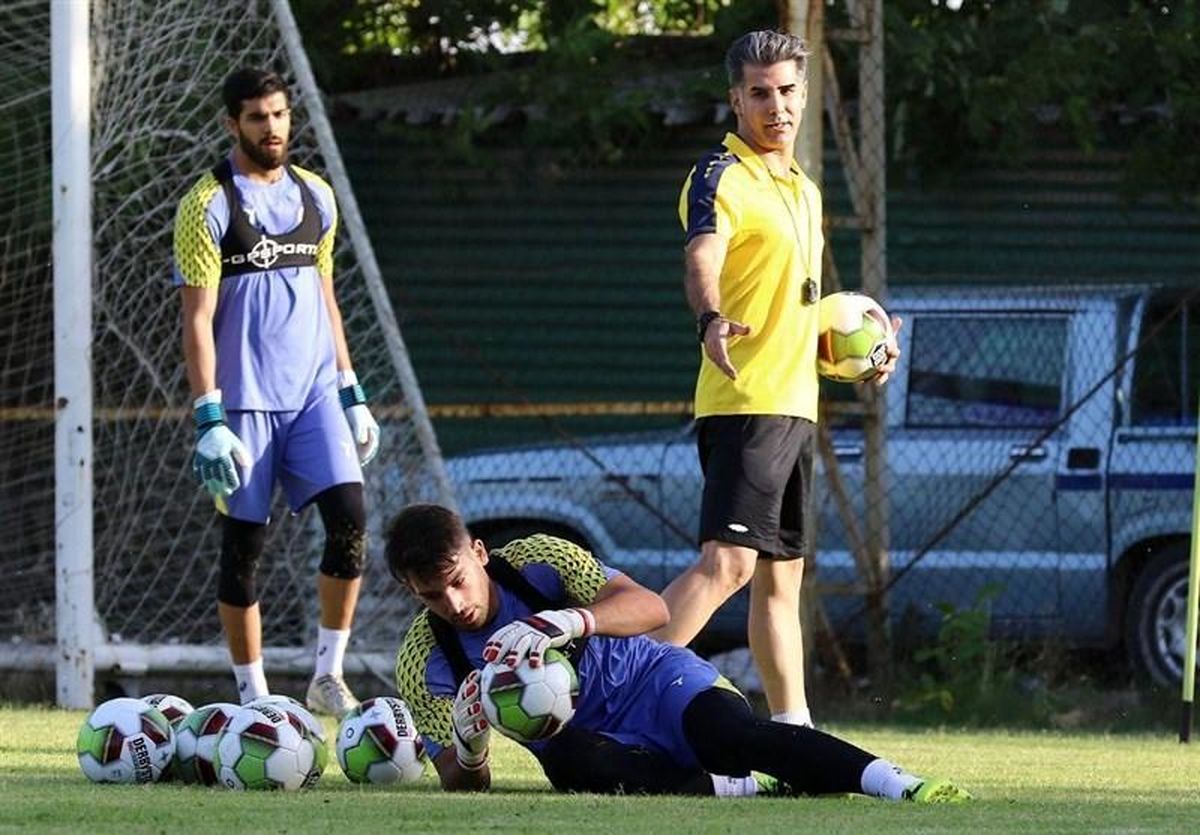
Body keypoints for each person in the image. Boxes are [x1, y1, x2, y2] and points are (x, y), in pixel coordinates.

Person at [387, 503, 968, 802]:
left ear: (480, 553)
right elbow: (463, 788)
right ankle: (746, 787)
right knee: (572, 770)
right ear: (412, 592)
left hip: (656, 683)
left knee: (731, 737)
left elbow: (652, 611)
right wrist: (467, 748)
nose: (453, 602)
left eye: (457, 580)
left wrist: (564, 620)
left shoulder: (539, 559)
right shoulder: (423, 661)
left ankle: (898, 783)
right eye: (431, 595)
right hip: (588, 743)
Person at [655, 30, 900, 727]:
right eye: (759, 93)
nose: (777, 105)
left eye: (788, 91)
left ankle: (795, 730)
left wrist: (862, 347)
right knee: (726, 566)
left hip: (795, 406)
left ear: (805, 95)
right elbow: (703, 257)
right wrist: (710, 319)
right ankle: (611, 693)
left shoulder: (804, 189)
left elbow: (799, 308)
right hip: (745, 401)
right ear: (735, 98)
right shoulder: (720, 176)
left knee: (781, 580)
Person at [172, 67, 381, 715]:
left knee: (350, 518)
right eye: (258, 117)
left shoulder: (318, 196)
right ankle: (254, 696)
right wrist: (210, 416)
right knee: (245, 548)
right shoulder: (206, 204)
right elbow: (197, 320)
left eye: (281, 115)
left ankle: (327, 674)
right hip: (244, 407)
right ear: (232, 122)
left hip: (315, 395)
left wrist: (351, 390)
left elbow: (326, 297)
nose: (273, 128)